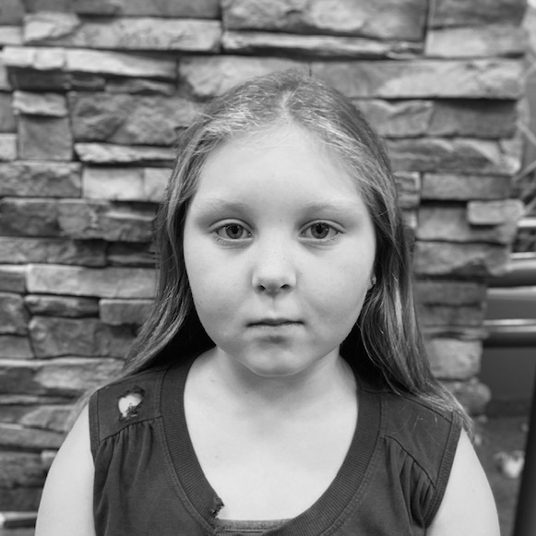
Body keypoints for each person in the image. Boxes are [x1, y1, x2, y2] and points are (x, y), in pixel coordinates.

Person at [35, 70, 499, 536]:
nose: (273, 273)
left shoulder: (434, 458)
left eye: (320, 230)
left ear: (379, 257)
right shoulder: (105, 443)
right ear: (180, 252)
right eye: (233, 230)